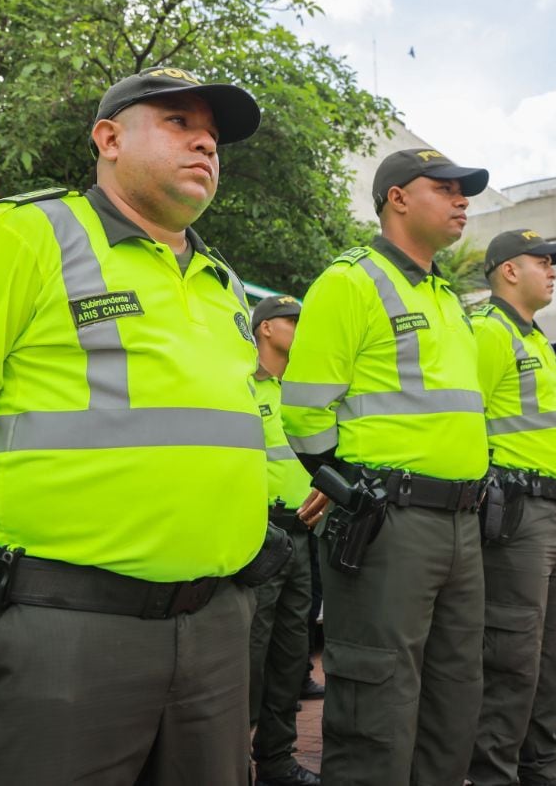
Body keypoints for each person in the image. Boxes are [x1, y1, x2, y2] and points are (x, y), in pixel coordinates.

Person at [0, 67, 268, 785]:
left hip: (215, 624)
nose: (205, 142)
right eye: (178, 122)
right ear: (108, 138)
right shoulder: (27, 235)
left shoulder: (221, 279)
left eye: (214, 136)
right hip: (66, 624)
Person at [281, 148, 490, 786]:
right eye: (445, 188)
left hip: (460, 521)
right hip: (389, 520)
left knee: (454, 692)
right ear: (397, 197)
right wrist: (348, 488)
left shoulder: (446, 297)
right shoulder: (351, 280)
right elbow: (304, 409)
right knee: (377, 700)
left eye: (465, 192)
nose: (462, 201)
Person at [466, 229, 556, 786]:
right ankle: (493, 774)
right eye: (544, 262)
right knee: (512, 658)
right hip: (519, 516)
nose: (553, 271)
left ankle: (544, 770)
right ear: (509, 271)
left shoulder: (537, 341)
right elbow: (467, 424)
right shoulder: (489, 334)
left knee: (554, 659)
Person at [248, 296, 321, 786]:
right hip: (259, 534)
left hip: (302, 534)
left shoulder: (300, 391)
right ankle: (229, 757)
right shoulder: (239, 385)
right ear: (266, 327)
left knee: (292, 652)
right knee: (250, 653)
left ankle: (276, 758)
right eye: (293, 321)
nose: (302, 328)